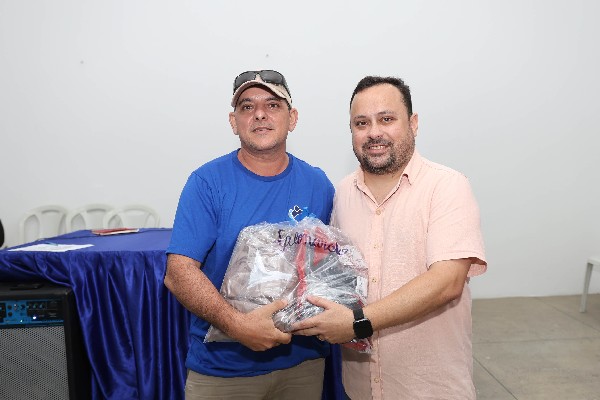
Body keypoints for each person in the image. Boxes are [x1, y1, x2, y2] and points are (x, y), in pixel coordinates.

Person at [293, 76, 487, 399]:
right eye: (361, 123)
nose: (374, 133)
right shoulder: (343, 193)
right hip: (360, 389)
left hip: (430, 389)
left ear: (413, 123)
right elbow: (335, 278)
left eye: (386, 119)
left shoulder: (447, 187)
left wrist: (357, 323)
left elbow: (447, 281)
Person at [163, 70, 335, 400]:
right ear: (234, 122)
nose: (259, 114)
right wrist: (239, 327)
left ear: (292, 118)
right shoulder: (207, 183)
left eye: (273, 104)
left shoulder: (318, 185)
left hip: (303, 365)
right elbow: (178, 273)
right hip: (223, 370)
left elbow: (328, 265)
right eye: (247, 106)